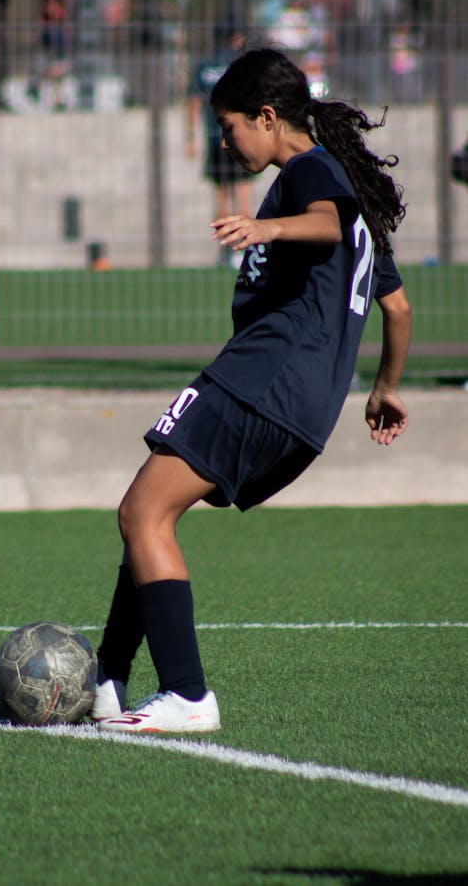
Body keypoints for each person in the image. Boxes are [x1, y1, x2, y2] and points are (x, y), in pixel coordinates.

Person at [91, 48, 412, 734]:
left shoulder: (311, 173)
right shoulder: (355, 202)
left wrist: (265, 226)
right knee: (152, 509)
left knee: (141, 513)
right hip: (304, 412)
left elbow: (322, 225)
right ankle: (108, 679)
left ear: (268, 117)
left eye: (229, 125)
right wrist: (385, 388)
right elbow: (401, 310)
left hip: (262, 381)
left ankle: (186, 694)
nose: (224, 140)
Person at [186, 24, 256, 266]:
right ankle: (244, 251)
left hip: (214, 138)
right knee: (243, 196)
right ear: (235, 38)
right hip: (239, 138)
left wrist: (190, 138)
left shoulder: (205, 66)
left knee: (221, 199)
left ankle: (226, 252)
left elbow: (193, 103)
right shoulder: (239, 65)